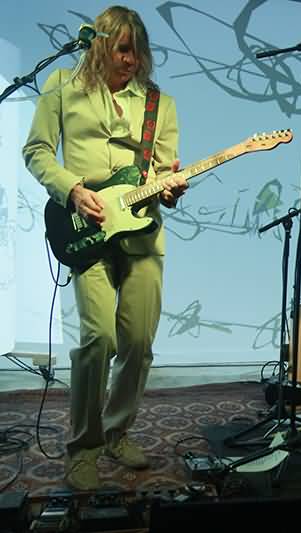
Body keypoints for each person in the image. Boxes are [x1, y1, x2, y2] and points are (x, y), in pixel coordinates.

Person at [22, 5, 188, 490]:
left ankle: (117, 432)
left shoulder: (159, 103)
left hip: (142, 233)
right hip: (85, 227)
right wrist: (72, 190)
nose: (131, 60)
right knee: (98, 340)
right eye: (122, 50)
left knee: (137, 344)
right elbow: (36, 150)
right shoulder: (61, 85)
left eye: (138, 52)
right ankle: (84, 449)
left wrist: (171, 189)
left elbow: (164, 171)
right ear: (99, 46)